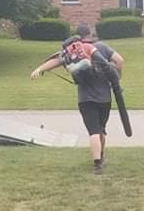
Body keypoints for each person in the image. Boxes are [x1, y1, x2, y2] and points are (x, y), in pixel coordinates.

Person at [30, 23, 124, 175]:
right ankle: (101, 157)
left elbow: (56, 61)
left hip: (85, 99)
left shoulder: (72, 49)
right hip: (104, 98)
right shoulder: (102, 47)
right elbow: (120, 60)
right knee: (101, 129)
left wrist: (39, 69)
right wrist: (116, 77)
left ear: (77, 36)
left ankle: (97, 165)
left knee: (93, 131)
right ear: (90, 34)